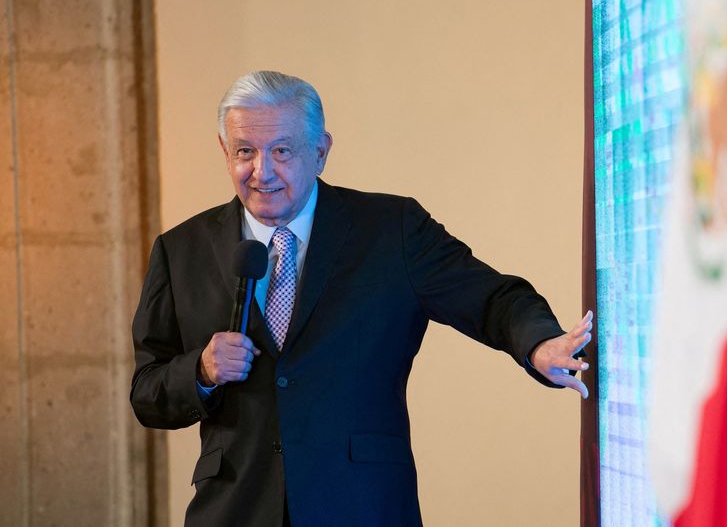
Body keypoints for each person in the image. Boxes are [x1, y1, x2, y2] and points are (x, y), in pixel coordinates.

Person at [130, 70, 592, 527]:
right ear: (224, 152)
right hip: (234, 510)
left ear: (321, 151)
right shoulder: (180, 250)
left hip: (362, 505)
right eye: (245, 152)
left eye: (282, 151)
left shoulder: (392, 230)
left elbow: (494, 299)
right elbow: (147, 393)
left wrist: (538, 344)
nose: (261, 171)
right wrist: (202, 371)